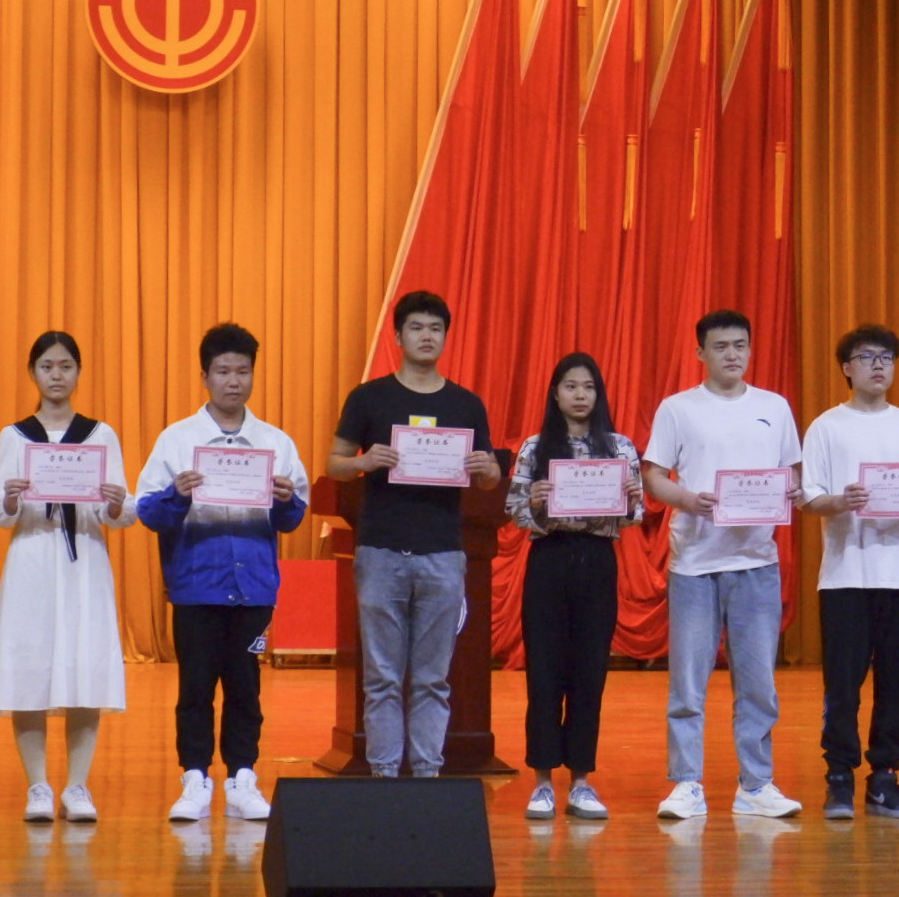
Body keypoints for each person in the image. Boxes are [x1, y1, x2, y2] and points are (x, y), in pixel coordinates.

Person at [137, 323, 309, 822]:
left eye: (243, 371)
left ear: (253, 375)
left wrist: (285, 501)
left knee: (245, 687)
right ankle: (194, 777)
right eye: (223, 371)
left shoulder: (275, 442)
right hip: (196, 585)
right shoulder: (177, 440)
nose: (234, 381)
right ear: (205, 377)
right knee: (195, 687)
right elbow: (147, 512)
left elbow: (294, 517)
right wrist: (177, 495)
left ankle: (242, 777)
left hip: (253, 587)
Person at [326, 290, 498, 778]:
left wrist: (486, 469)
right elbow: (334, 463)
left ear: (445, 337)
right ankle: (384, 775)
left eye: (435, 328)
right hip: (381, 551)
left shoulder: (465, 404)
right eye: (417, 327)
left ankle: (426, 774)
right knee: (381, 676)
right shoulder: (368, 397)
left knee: (432, 678)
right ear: (398, 336)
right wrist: (364, 462)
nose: (427, 336)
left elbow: (489, 478)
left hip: (442, 553)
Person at [642, 309, 804, 820]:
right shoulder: (678, 408)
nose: (732, 354)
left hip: (756, 562)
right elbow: (653, 476)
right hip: (694, 563)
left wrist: (789, 492)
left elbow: (793, 475)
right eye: (720, 346)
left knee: (757, 684)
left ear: (750, 350)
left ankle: (756, 784)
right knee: (688, 684)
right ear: (701, 353)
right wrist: (689, 500)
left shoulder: (774, 407)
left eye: (740, 345)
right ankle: (686, 783)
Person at [0, 331, 135, 822]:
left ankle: (77, 787)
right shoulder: (15, 436)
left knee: (84, 666)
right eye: (47, 366)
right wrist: (10, 497)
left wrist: (116, 502)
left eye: (66, 366)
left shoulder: (99, 434)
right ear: (33, 372)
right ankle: (38, 787)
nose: (56, 375)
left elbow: (121, 512)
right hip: (31, 558)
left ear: (79, 372)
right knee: (29, 665)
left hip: (83, 559)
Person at [800, 325, 899, 819]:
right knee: (843, 683)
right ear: (846, 367)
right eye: (866, 357)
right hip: (845, 575)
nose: (878, 365)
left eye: (887, 357)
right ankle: (839, 776)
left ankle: (885, 777)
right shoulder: (826, 427)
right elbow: (809, 498)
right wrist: (841, 501)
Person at [506, 352, 643, 820]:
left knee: (590, 672)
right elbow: (515, 510)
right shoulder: (535, 447)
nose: (580, 395)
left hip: (598, 560)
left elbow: (635, 515)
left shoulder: (620, 448)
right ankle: (542, 782)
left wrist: (630, 500)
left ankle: (581, 782)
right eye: (571, 386)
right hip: (549, 559)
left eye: (588, 387)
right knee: (544, 672)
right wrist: (535, 501)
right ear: (555, 394)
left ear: (598, 394)